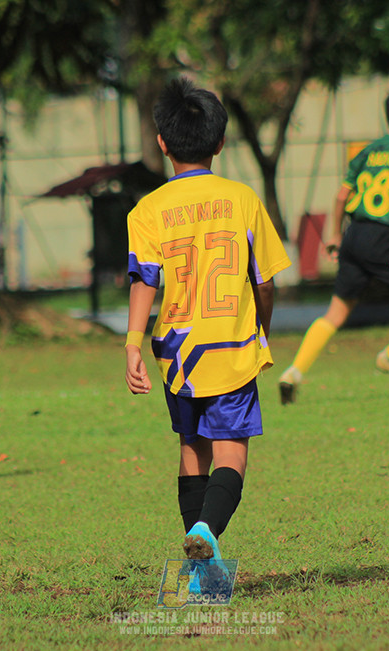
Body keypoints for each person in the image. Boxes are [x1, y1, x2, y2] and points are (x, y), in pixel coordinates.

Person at [124, 78, 290, 590]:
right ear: (220, 142)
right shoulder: (243, 199)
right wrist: (261, 330)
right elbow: (265, 282)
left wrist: (131, 343)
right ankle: (205, 532)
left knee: (191, 450)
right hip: (231, 347)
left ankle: (200, 576)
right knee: (231, 454)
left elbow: (144, 279)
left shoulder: (147, 209)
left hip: (177, 353)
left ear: (162, 142)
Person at [278, 86, 389, 404]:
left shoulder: (368, 152)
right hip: (383, 239)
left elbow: (342, 195)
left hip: (354, 234)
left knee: (335, 313)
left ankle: (293, 372)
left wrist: (335, 235)